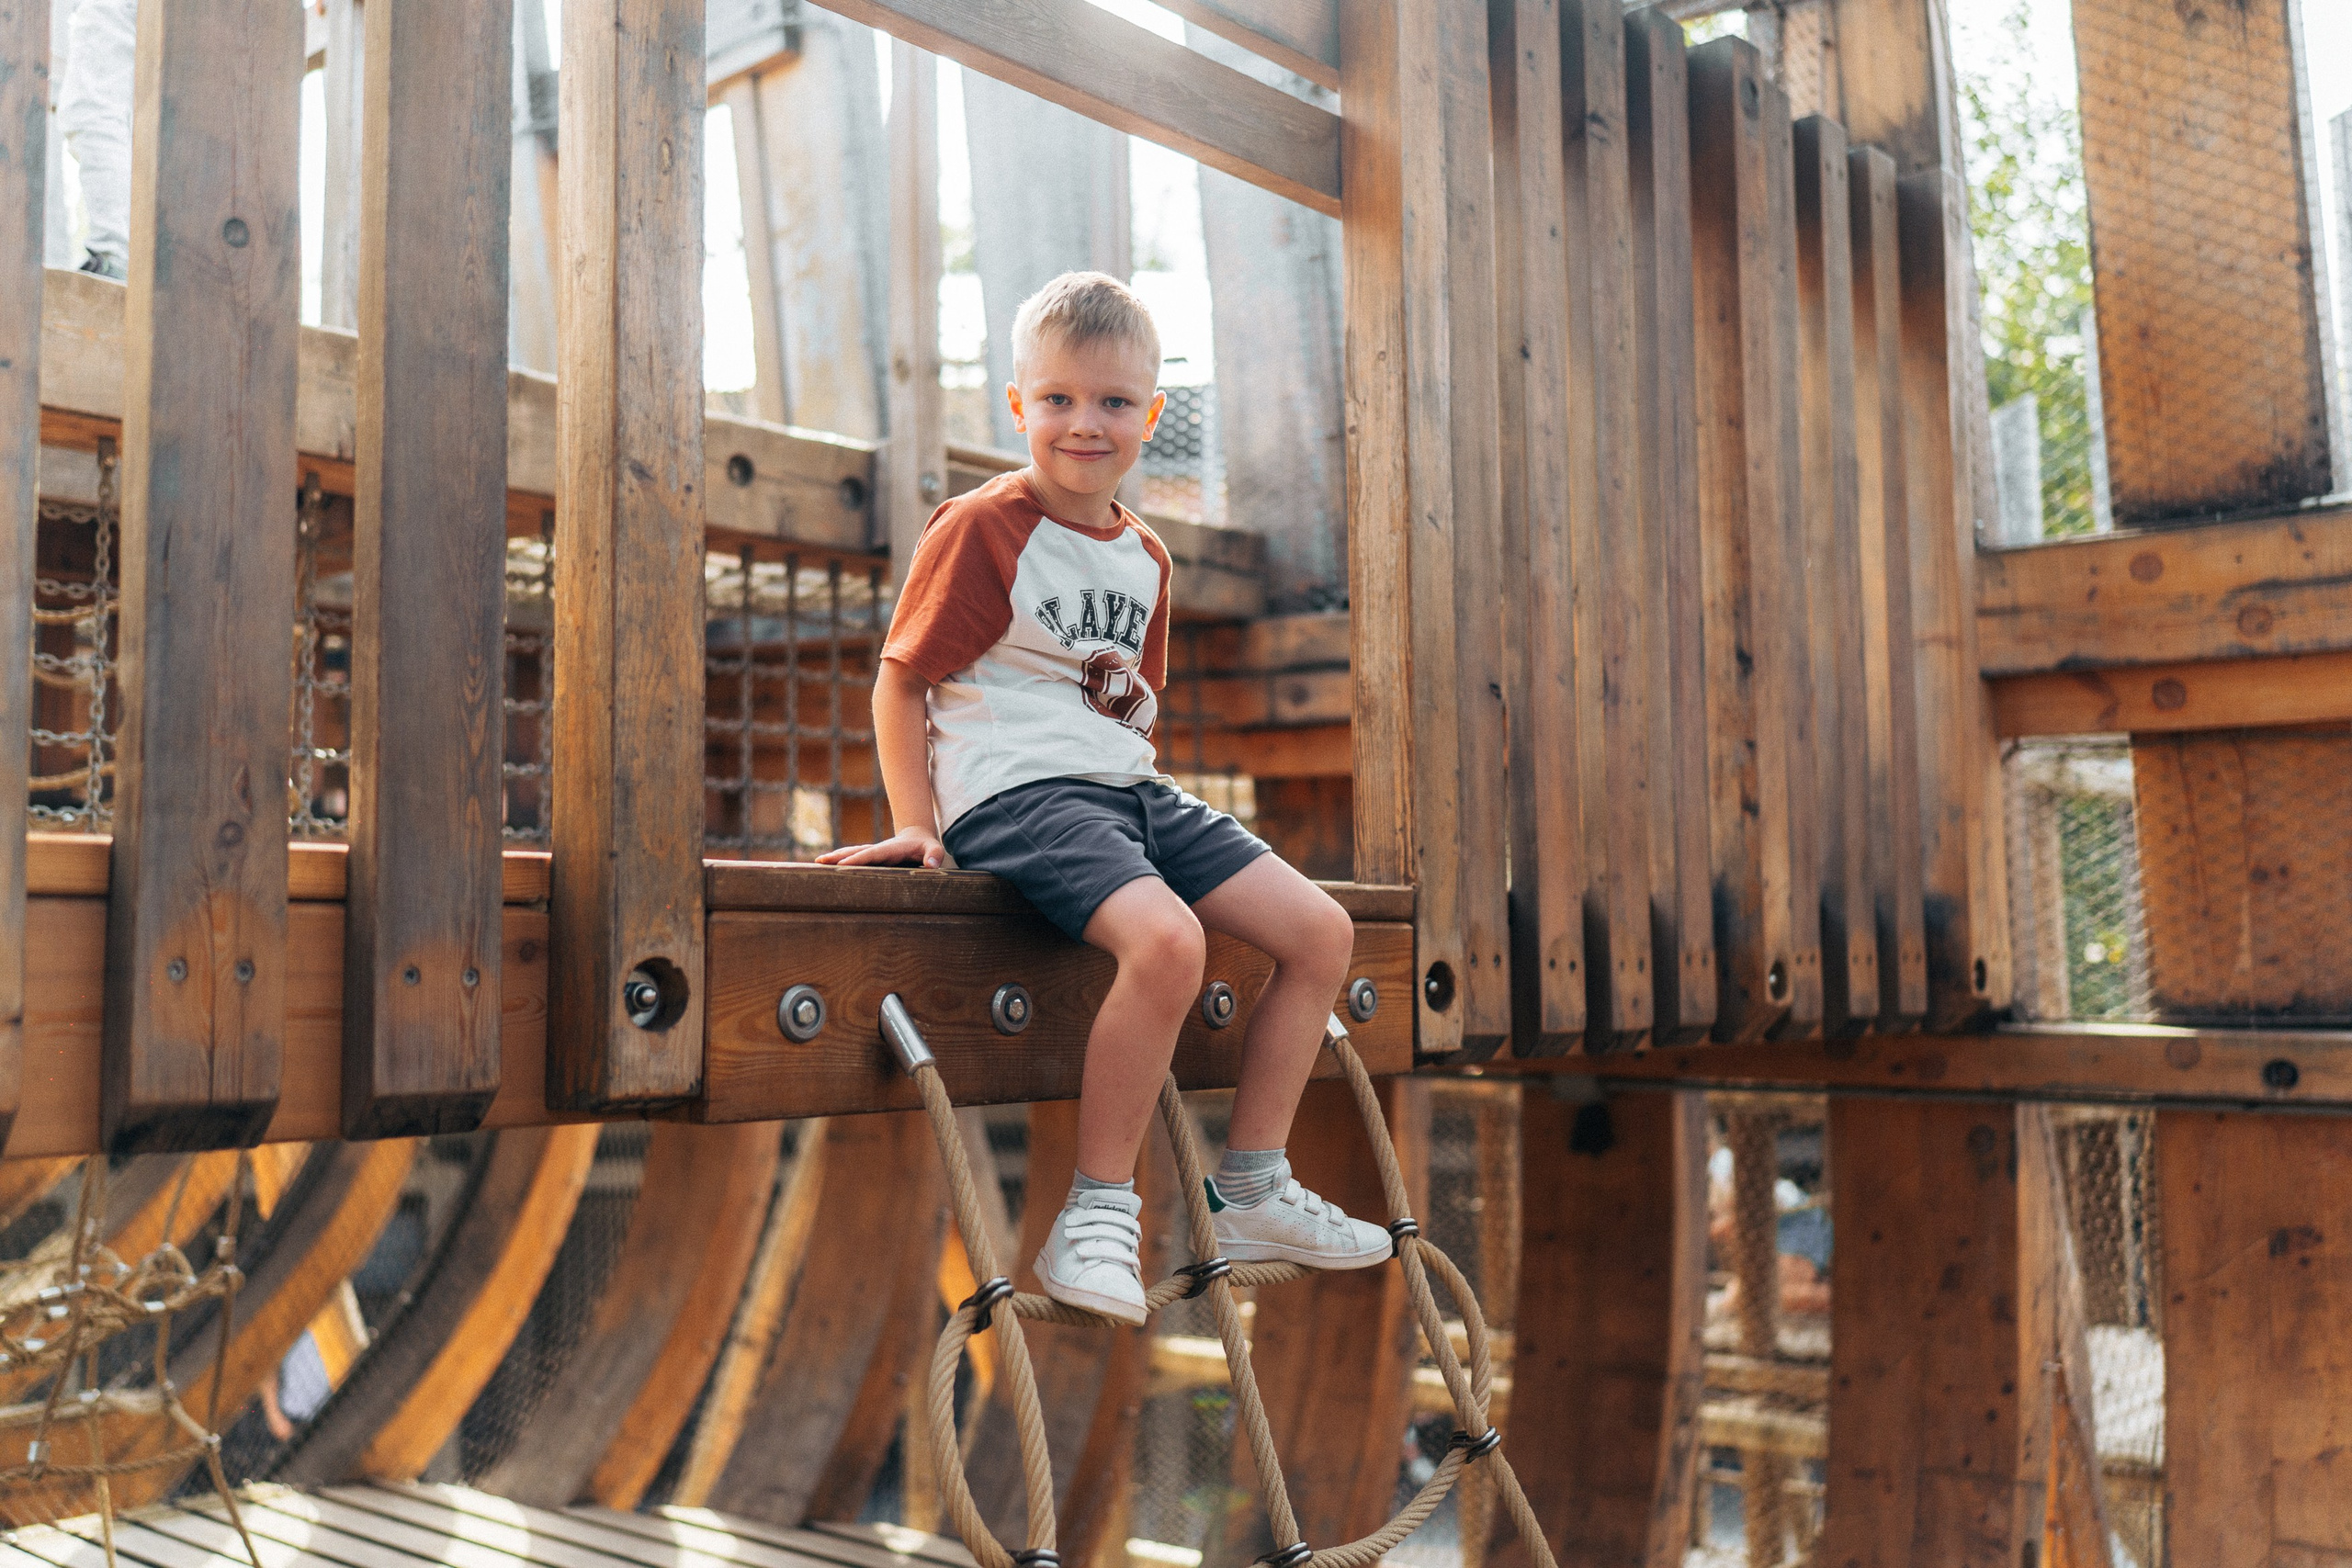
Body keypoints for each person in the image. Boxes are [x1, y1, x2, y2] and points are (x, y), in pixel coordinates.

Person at [819, 271, 1384, 1325]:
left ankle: (1256, 1185)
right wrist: (914, 824)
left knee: (1319, 931)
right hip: (1016, 794)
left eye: (1115, 402)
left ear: (1152, 417)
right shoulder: (987, 525)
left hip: (1125, 791)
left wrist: (1148, 829)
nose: (1087, 424)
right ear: (1018, 406)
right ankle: (1094, 1214)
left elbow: (1121, 708)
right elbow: (902, 678)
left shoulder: (1145, 556)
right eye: (1061, 399)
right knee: (1169, 946)